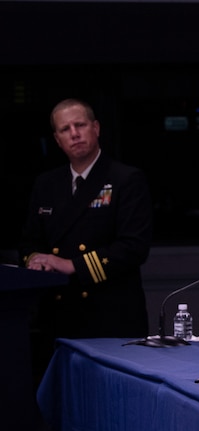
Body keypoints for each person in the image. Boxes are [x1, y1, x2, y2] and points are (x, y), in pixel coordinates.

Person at [20, 98, 152, 340]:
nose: (74, 134)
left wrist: (71, 265)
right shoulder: (46, 184)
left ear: (96, 128)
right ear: (58, 140)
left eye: (80, 125)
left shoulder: (126, 179)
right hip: (58, 314)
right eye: (65, 130)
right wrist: (36, 262)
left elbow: (134, 248)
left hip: (110, 318)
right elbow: (30, 242)